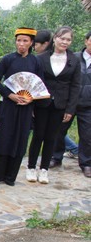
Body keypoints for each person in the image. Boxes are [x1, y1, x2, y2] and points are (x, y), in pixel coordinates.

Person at [0, 27, 44, 187]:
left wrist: (30, 99)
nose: (21, 44)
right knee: (2, 138)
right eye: (19, 40)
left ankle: (10, 176)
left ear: (31, 43)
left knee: (20, 139)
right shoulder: (8, 59)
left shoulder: (36, 62)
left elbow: (40, 85)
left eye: (25, 41)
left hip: (26, 108)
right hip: (8, 106)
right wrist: (9, 95)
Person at [26, 26, 80, 184]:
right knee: (38, 135)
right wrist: (32, 104)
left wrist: (70, 109)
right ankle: (31, 167)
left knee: (52, 137)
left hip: (61, 104)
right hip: (42, 102)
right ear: (55, 38)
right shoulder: (41, 57)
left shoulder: (73, 60)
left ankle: (44, 170)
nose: (65, 42)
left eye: (68, 39)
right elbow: (34, 81)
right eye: (62, 38)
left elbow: (75, 86)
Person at [75, 30, 91, 177]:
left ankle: (86, 163)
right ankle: (56, 156)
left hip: (88, 104)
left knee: (87, 135)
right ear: (86, 41)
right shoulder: (74, 58)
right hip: (71, 101)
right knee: (59, 130)